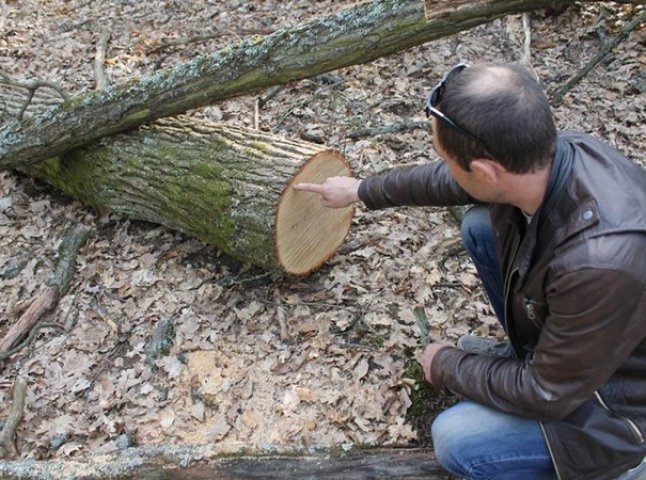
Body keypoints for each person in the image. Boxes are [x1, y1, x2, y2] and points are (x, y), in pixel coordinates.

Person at [294, 62, 646, 480]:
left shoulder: (598, 262)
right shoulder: (548, 157)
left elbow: (546, 393)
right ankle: (530, 357)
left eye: (451, 161)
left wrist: (446, 364)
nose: (447, 168)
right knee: (482, 226)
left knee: (457, 439)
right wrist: (361, 190)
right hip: (585, 353)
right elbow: (450, 182)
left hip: (620, 411)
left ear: (485, 170)